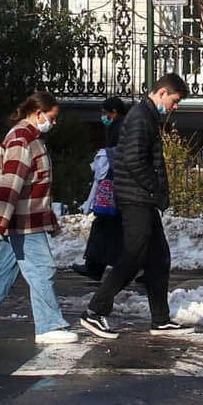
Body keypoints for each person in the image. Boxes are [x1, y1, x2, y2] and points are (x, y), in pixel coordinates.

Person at [0, 92, 77, 346]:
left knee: (3, 272)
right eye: (51, 118)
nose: (53, 123)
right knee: (42, 269)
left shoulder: (30, 138)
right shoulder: (22, 140)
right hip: (25, 220)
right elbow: (10, 185)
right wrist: (0, 223)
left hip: (24, 217)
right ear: (37, 113)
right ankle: (49, 325)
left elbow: (28, 185)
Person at [79, 73, 189, 339]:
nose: (174, 107)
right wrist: (153, 187)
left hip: (142, 198)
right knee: (133, 256)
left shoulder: (146, 116)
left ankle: (160, 319)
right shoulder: (141, 117)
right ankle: (95, 311)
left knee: (159, 258)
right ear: (162, 92)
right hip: (137, 198)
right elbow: (133, 159)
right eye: (174, 101)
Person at [71, 97, 127, 280]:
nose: (103, 117)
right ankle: (96, 266)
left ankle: (96, 267)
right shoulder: (118, 127)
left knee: (103, 224)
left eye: (105, 113)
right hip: (116, 187)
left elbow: (116, 153)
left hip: (113, 186)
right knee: (106, 225)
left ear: (114, 112)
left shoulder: (119, 128)